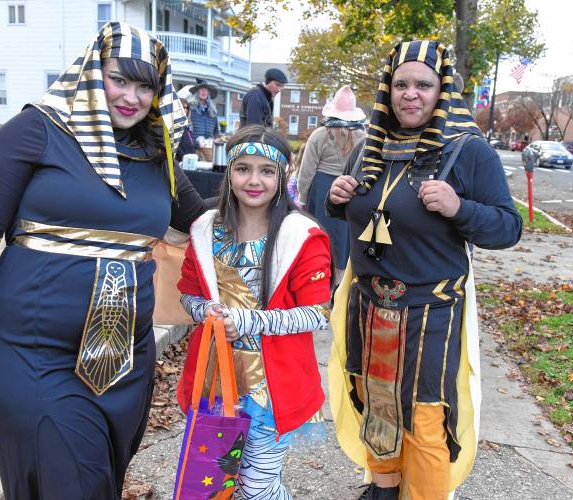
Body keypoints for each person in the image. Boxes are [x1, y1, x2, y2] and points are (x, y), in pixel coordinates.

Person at [0, 22, 207, 498]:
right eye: (120, 79)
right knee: (72, 481)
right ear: (94, 73)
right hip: (30, 349)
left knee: (99, 477)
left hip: (123, 358)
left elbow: (203, 222)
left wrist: (280, 206)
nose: (131, 97)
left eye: (145, 85)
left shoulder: (159, 153)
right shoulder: (37, 130)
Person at [326, 40, 523, 500]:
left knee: (426, 419)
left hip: (430, 310)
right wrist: (337, 200)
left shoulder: (467, 151)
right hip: (368, 303)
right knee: (377, 407)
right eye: (400, 84)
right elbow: (368, 218)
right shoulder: (369, 147)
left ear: (442, 91)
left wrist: (460, 208)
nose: (410, 94)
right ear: (387, 91)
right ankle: (383, 490)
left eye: (423, 85)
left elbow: (508, 228)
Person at [176, 124, 332, 498]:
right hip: (215, 379)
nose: (254, 180)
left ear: (283, 175)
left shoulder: (301, 236)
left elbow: (318, 313)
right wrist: (206, 310)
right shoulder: (203, 230)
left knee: (255, 484)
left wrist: (248, 320)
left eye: (266, 170)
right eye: (243, 168)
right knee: (214, 482)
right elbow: (187, 295)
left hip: (272, 385)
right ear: (228, 172)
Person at [298, 84, 366, 284]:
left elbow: (307, 169)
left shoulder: (319, 134)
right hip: (350, 189)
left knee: (320, 233)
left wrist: (303, 197)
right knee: (344, 238)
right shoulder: (364, 137)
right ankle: (341, 281)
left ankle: (317, 276)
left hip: (322, 188)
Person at [189, 79, 220, 161]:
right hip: (194, 151)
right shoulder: (191, 110)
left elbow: (216, 132)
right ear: (197, 92)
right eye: (201, 89)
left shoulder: (213, 112)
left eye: (206, 90)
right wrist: (196, 143)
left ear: (208, 93)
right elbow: (187, 131)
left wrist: (216, 139)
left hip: (209, 151)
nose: (204, 92)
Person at [176, 85, 197, 161]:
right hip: (180, 162)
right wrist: (184, 158)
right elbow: (175, 146)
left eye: (186, 108)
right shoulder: (174, 125)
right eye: (183, 107)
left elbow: (191, 142)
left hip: (190, 160)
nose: (185, 110)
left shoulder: (187, 125)